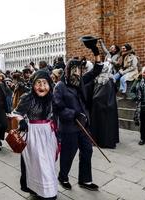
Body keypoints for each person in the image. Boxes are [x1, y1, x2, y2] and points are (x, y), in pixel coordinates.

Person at [53, 36, 103, 191]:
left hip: (83, 125)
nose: (80, 72)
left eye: (81, 70)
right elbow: (58, 107)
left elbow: (97, 69)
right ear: (69, 70)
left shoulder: (80, 81)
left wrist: (95, 51)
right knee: (68, 154)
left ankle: (85, 180)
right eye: (77, 69)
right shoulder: (60, 86)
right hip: (69, 127)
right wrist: (73, 114)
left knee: (87, 150)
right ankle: (63, 177)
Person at [14, 70, 58, 200]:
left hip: (48, 132)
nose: (42, 87)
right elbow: (16, 112)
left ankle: (49, 189)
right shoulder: (27, 97)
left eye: (45, 83)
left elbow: (60, 110)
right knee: (37, 162)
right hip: (33, 133)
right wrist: (21, 120)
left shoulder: (52, 97)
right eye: (38, 83)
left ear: (49, 85)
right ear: (33, 84)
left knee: (48, 162)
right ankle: (38, 189)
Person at [90, 54, 119, 149]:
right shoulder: (99, 79)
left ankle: (105, 142)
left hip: (105, 108)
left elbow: (102, 95)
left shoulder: (108, 80)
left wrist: (94, 99)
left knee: (105, 127)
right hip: (100, 108)